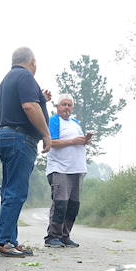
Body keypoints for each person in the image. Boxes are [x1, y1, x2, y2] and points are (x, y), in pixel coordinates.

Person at [0, 47, 51, 257]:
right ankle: (2, 241)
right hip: (20, 139)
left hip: (7, 136)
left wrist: (41, 99)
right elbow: (28, 107)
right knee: (16, 192)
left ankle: (10, 239)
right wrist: (46, 134)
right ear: (32, 61)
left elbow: (26, 104)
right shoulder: (25, 76)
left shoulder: (7, 79)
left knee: (10, 192)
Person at [43, 95, 92, 248]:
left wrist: (85, 140)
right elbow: (51, 142)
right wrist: (73, 141)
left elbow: (78, 142)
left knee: (73, 205)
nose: (66, 108)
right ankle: (52, 236)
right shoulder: (54, 120)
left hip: (76, 169)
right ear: (57, 106)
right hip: (59, 168)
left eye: (69, 105)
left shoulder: (76, 123)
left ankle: (65, 235)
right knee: (60, 203)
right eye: (63, 104)